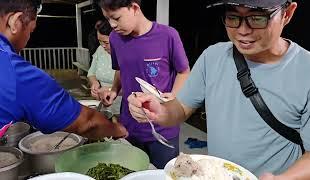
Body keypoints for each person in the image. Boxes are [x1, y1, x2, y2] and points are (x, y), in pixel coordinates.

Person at [128, 0, 310, 179]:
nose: (243, 30)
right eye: (232, 17)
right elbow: (180, 108)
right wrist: (160, 111)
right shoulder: (213, 57)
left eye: (257, 18)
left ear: (287, 13)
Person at [0, 0, 127, 140]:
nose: (28, 39)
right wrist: (119, 130)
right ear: (14, 21)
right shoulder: (16, 72)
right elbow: (87, 122)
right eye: (31, 31)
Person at [97, 0, 190, 169]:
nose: (112, 25)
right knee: (132, 172)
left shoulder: (168, 35)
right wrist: (114, 90)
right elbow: (120, 69)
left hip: (163, 127)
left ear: (134, 8)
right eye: (107, 19)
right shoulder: (115, 39)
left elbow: (184, 72)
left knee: (164, 174)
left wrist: (174, 95)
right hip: (129, 126)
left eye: (116, 18)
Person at [87, 20, 121, 115]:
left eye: (106, 42)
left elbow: (133, 86)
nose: (103, 46)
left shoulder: (126, 55)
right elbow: (91, 73)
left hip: (123, 105)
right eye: (99, 41)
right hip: (103, 104)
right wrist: (94, 83)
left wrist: (109, 90)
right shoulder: (100, 50)